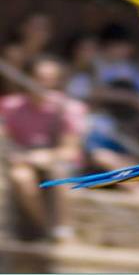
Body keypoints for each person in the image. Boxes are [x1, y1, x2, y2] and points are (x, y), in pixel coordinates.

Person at [0, 56, 87, 241]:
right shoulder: (10, 106)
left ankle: (63, 227)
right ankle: (46, 227)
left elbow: (71, 150)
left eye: (49, 79)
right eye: (39, 78)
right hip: (22, 161)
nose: (43, 84)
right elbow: (4, 140)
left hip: (56, 162)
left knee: (58, 173)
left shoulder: (67, 108)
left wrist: (46, 156)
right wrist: (17, 155)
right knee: (21, 178)